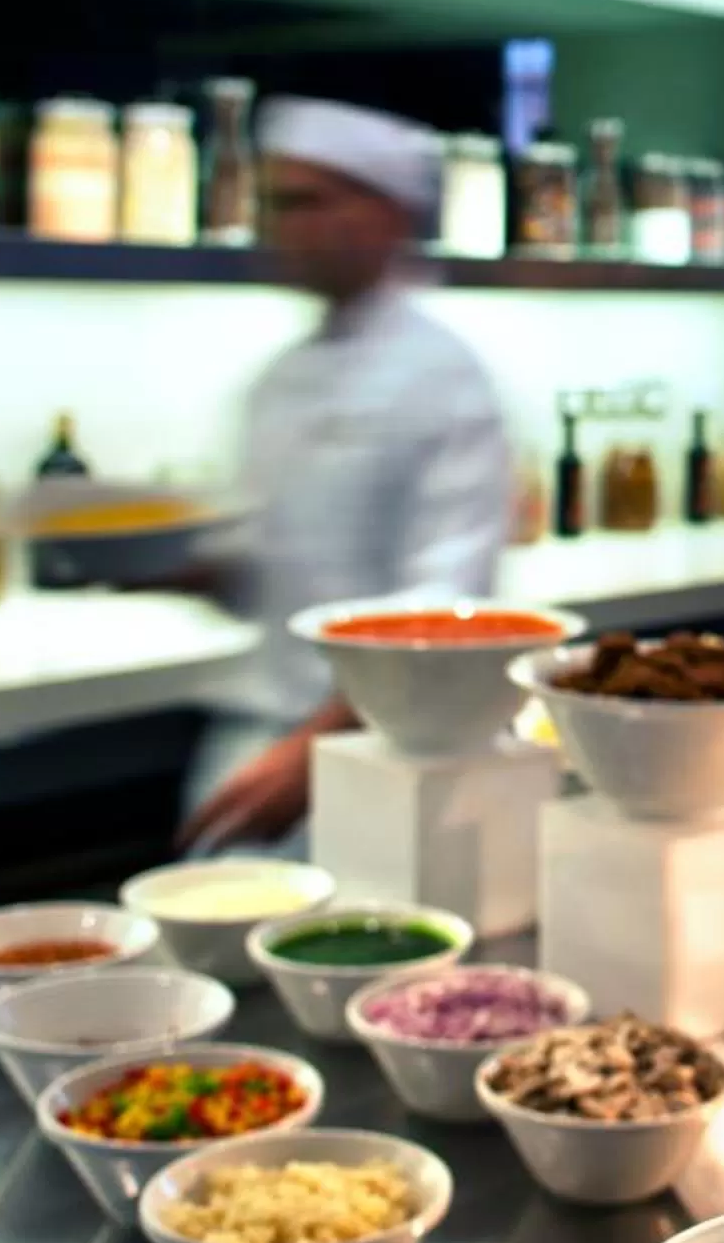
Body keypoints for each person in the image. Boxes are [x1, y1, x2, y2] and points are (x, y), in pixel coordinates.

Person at [177, 97, 513, 853]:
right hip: (261, 735)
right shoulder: (278, 379)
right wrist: (184, 568)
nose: (279, 225)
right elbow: (279, 572)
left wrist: (312, 752)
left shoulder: (442, 378)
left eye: (305, 202)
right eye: (272, 202)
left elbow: (446, 605)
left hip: (375, 751)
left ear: (387, 214)